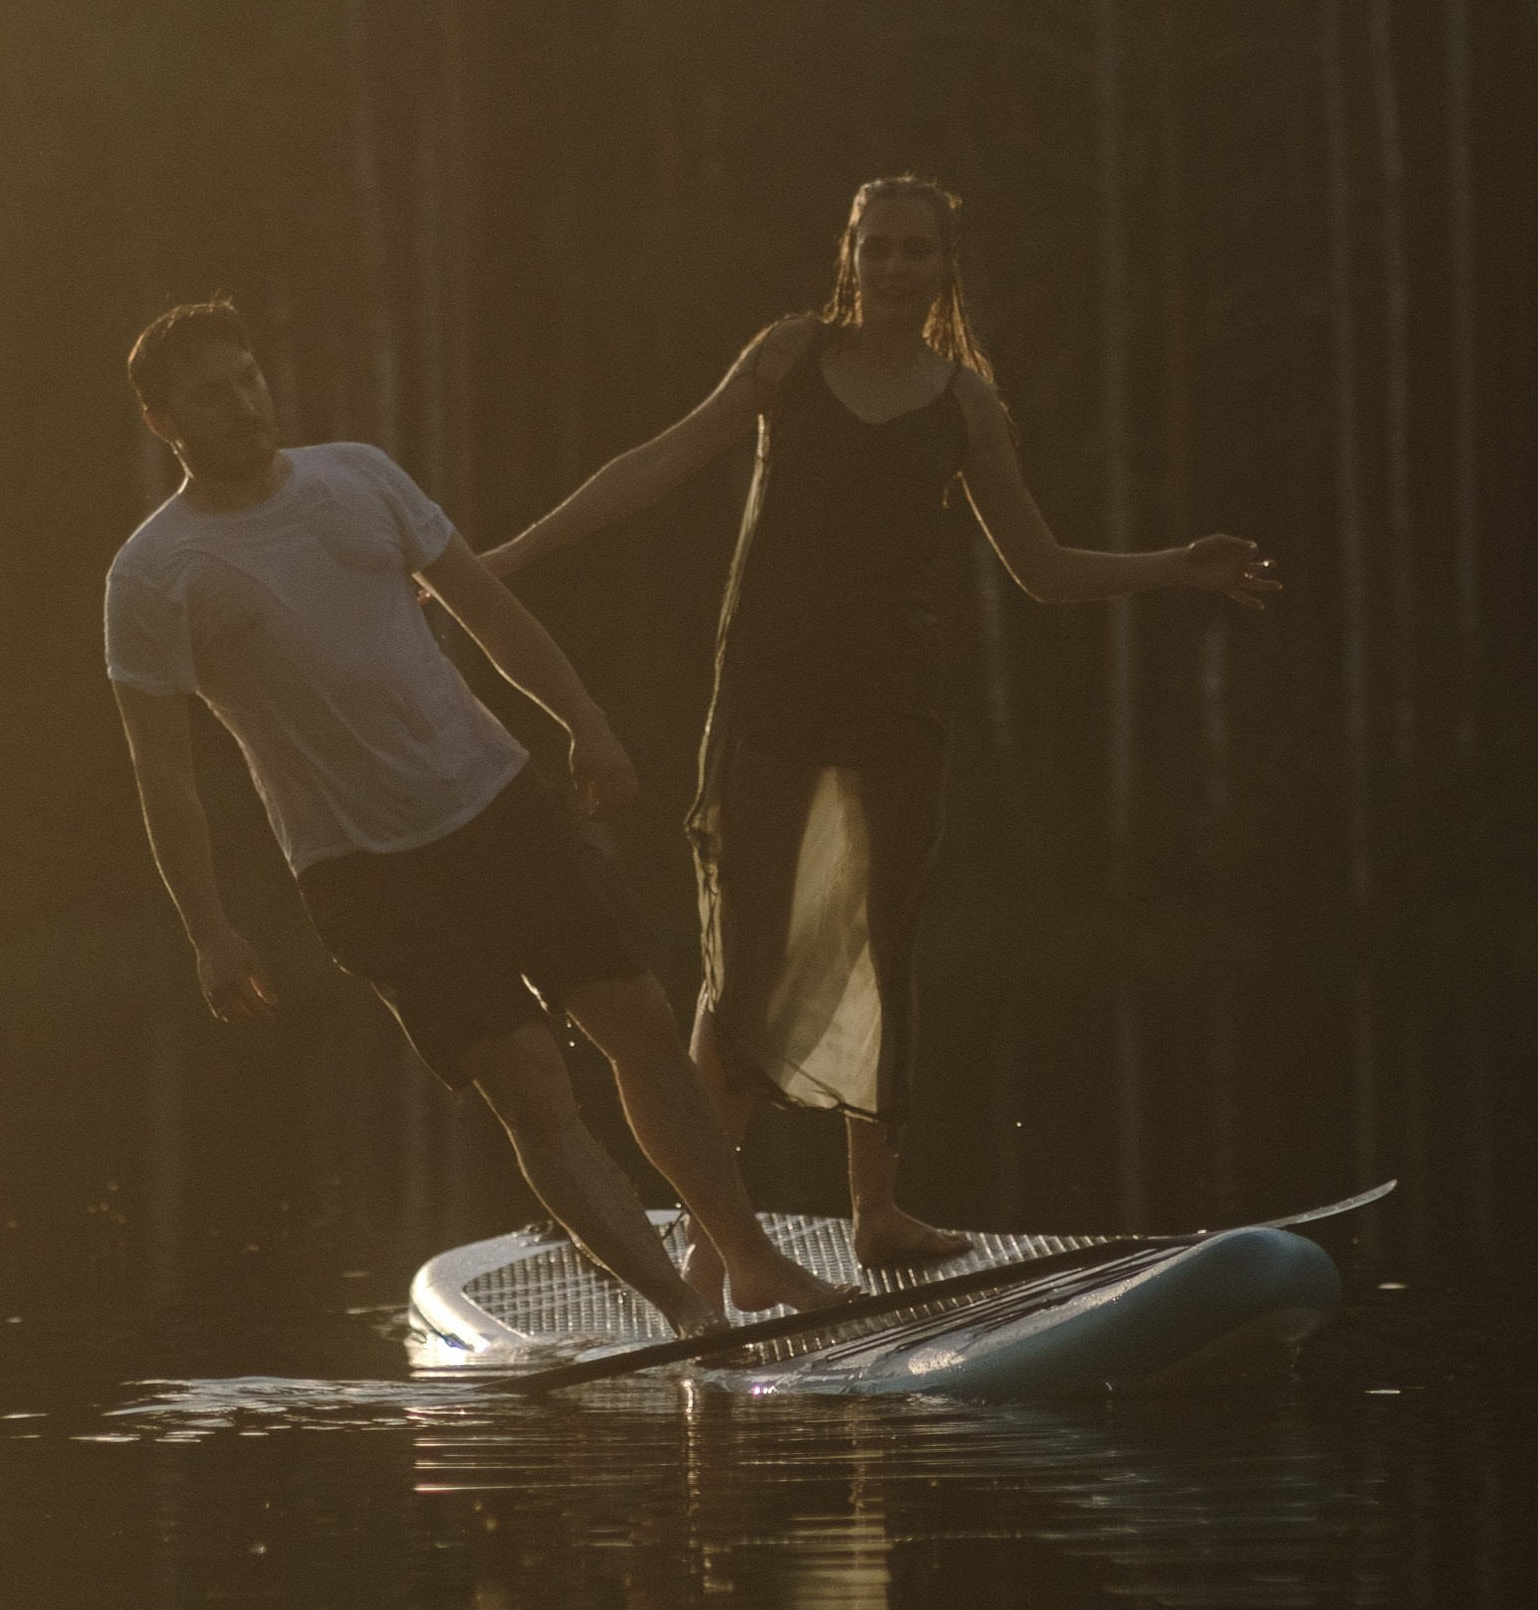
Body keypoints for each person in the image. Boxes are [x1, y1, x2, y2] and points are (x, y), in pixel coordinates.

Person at [481, 177, 1277, 1297]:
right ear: (847, 256)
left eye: (918, 252)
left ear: (946, 266)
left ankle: (876, 1212)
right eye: (878, 249)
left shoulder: (967, 404)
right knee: (745, 967)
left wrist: (1173, 569)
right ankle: (719, 1232)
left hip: (896, 712)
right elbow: (658, 461)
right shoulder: (786, 359)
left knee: (879, 946)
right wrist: (510, 556)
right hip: (765, 702)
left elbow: (1040, 570)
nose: (897, 268)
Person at [104, 299, 830, 1330]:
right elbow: (161, 768)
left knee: (643, 1025)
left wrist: (584, 722)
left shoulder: (357, 475)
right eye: (210, 394)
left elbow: (487, 608)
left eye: (249, 378)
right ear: (163, 422)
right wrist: (210, 931)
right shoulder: (152, 573)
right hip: (361, 869)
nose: (242, 404)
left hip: (497, 800)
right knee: (532, 1084)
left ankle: (748, 1263)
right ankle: (683, 1312)